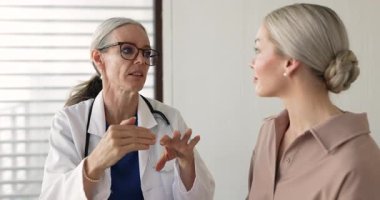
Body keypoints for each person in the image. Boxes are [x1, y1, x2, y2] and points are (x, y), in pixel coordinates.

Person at [40, 17, 215, 200]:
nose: (141, 60)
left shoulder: (170, 119)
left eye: (146, 53)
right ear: (99, 59)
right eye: (127, 50)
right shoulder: (69, 122)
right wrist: (95, 163)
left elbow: (203, 197)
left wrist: (187, 165)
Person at [246, 3, 380, 200]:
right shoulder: (269, 134)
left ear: (290, 62)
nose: (252, 62)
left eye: (258, 49)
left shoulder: (356, 162)